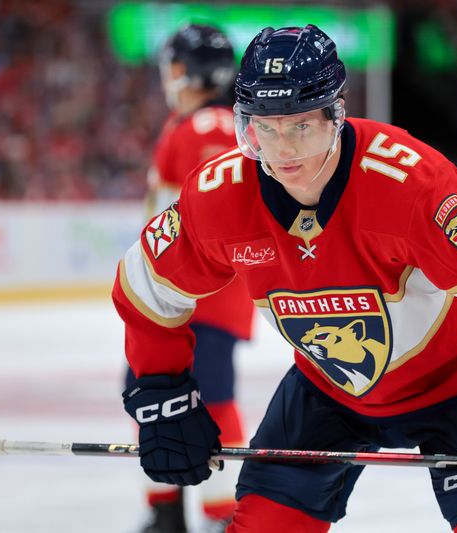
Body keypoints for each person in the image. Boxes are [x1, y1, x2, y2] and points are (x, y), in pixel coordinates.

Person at [113, 24, 457, 533]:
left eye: (301, 125)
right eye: (265, 127)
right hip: (328, 389)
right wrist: (160, 391)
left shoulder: (409, 184)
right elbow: (145, 282)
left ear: (336, 114)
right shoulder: (220, 193)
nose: (283, 150)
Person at [124, 24, 256, 533]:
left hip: (198, 290)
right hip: (185, 290)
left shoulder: (208, 128)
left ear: (185, 71)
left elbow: (209, 214)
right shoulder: (197, 123)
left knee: (205, 394)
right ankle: (170, 509)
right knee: (154, 389)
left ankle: (217, 516)